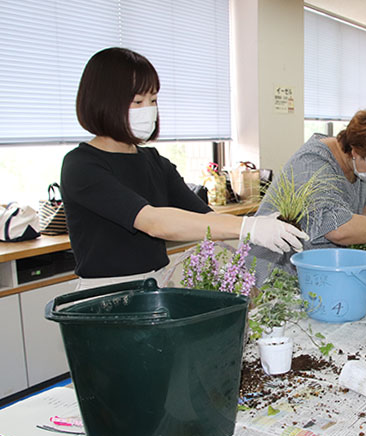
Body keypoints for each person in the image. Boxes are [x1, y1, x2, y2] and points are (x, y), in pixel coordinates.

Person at [61, 47, 308, 289]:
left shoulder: (155, 162)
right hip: (105, 294)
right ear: (103, 102)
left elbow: (206, 219)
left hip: (155, 285)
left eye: (153, 100)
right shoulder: (81, 165)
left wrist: (262, 225)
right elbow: (153, 222)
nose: (149, 110)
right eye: (138, 101)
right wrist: (247, 227)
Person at [250, 108, 366, 282]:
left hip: (315, 273)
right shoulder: (313, 163)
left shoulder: (358, 169)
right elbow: (337, 228)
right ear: (357, 151)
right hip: (274, 271)